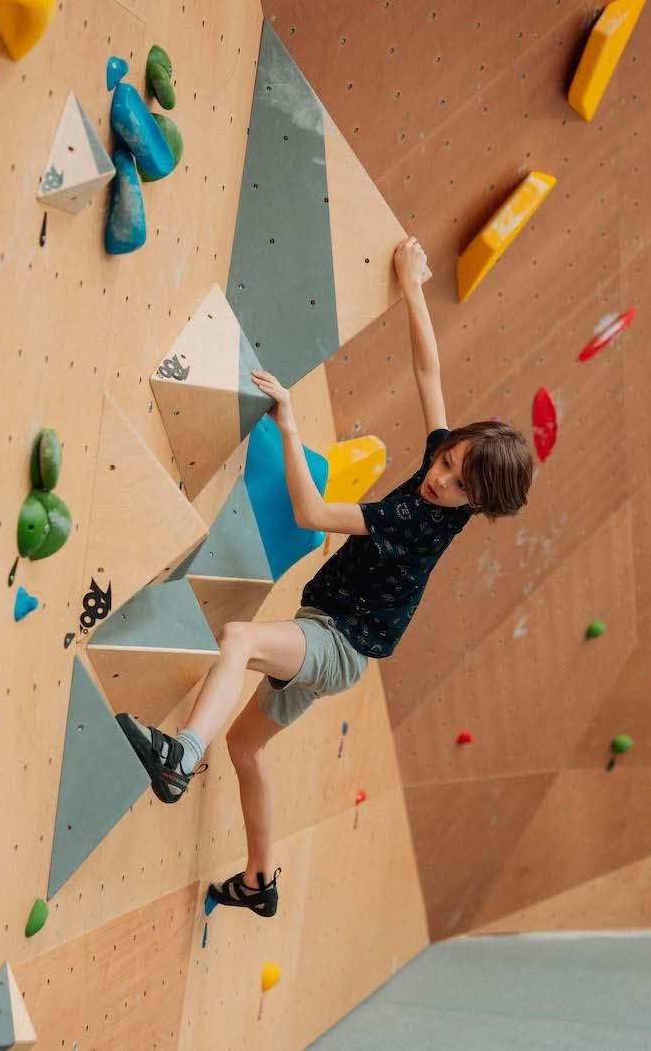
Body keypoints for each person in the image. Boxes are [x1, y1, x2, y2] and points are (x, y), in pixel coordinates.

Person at [116, 236, 534, 919]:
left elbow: (311, 512)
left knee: (239, 639)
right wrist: (410, 284)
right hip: (337, 636)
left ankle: (177, 757)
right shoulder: (444, 476)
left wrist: (289, 421)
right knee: (246, 747)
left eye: (455, 483)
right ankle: (259, 880)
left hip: (337, 646)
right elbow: (430, 377)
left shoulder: (413, 519)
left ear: (474, 505)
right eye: (447, 460)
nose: (438, 478)